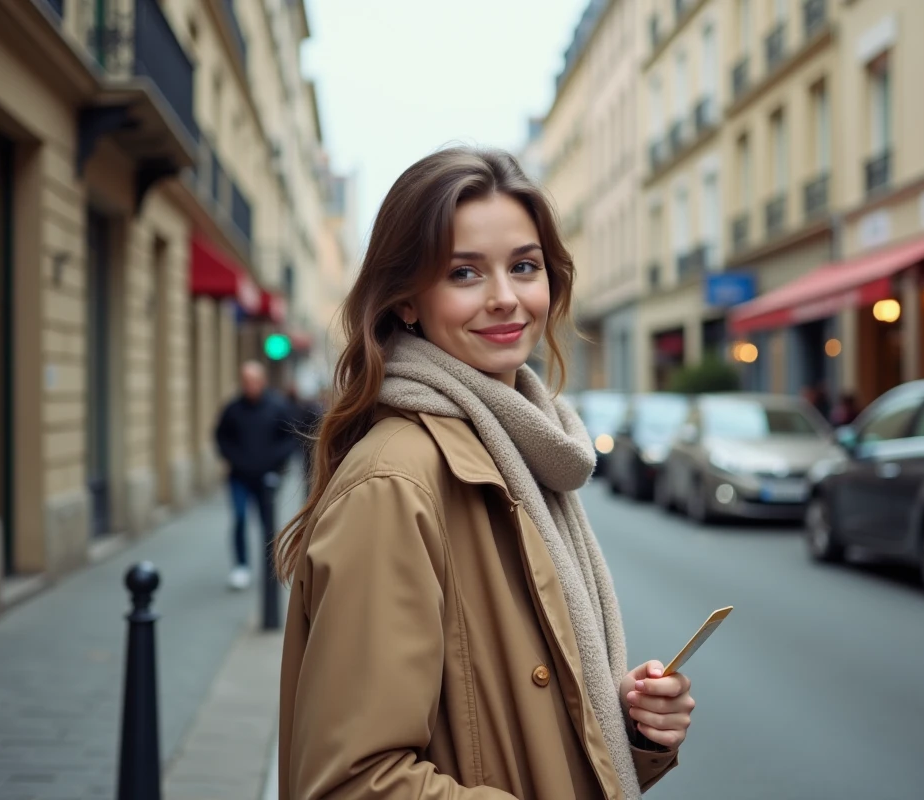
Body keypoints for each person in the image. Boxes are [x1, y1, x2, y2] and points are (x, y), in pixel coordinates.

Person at [274, 147, 694, 799]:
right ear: (408, 301)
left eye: (524, 267)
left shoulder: (524, 450)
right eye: (465, 273)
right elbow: (352, 783)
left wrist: (632, 732)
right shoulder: (395, 482)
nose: (506, 299)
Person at [214, 361, 297, 590]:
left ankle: (271, 570)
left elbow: (289, 438)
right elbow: (221, 437)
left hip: (267, 477)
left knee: (267, 524)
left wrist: (274, 463)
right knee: (239, 518)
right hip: (239, 477)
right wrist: (233, 458)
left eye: (253, 381)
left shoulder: (277, 407)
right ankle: (241, 566)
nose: (249, 386)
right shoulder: (233, 409)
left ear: (262, 382)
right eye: (245, 381)